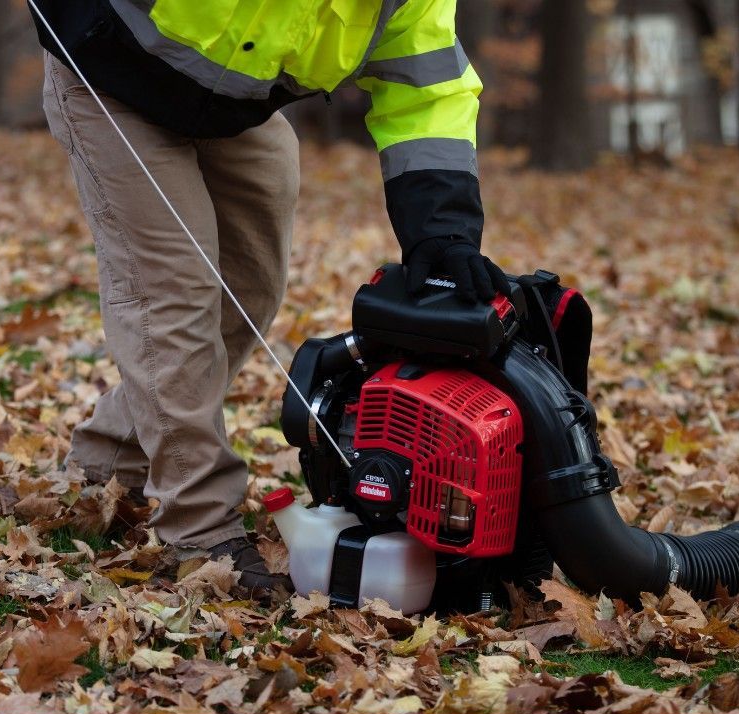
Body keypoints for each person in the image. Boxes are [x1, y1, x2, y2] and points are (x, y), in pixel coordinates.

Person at [32, 0, 508, 593]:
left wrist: (442, 231)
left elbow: (427, 87)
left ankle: (107, 460)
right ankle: (200, 527)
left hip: (234, 104)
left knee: (251, 287)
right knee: (173, 293)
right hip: (109, 69)